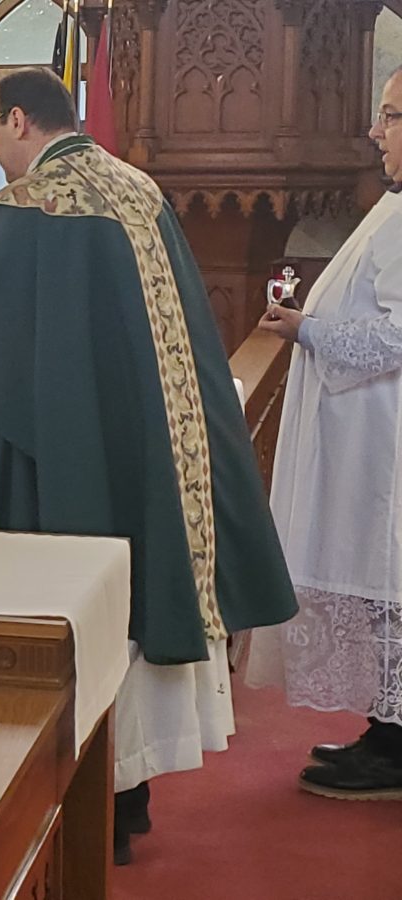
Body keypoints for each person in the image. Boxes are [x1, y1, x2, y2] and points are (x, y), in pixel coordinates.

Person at [0, 67, 298, 864]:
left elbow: (8, 338)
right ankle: (126, 802)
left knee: (69, 613)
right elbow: (62, 309)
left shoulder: (26, 203)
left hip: (71, 454)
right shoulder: (135, 189)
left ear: (20, 120)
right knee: (127, 608)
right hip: (143, 441)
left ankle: (77, 803)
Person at [246, 66, 402, 801]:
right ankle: (386, 729)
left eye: (390, 116)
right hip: (370, 439)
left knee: (390, 585)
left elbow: (396, 336)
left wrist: (307, 329)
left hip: (388, 447)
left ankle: (397, 748)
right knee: (379, 591)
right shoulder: (393, 204)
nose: (375, 131)